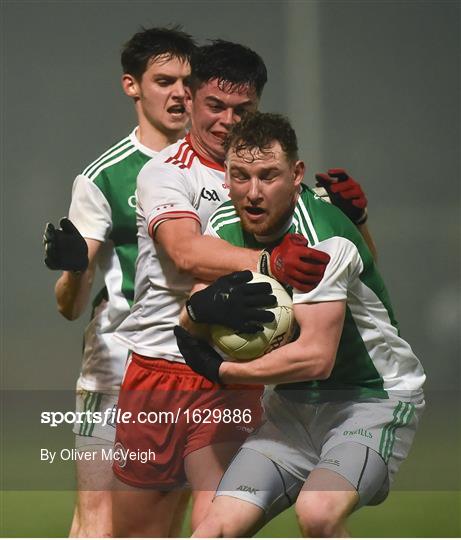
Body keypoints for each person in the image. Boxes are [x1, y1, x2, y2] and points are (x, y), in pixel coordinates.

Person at [111, 40, 337, 537]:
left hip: (226, 372)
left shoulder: (270, 179)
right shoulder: (166, 172)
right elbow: (185, 252)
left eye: (243, 109)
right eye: (215, 105)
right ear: (189, 100)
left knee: (217, 525)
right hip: (154, 371)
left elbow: (334, 264)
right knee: (136, 531)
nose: (228, 121)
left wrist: (355, 223)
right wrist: (269, 260)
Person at [174, 111, 426, 538]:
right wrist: (198, 311)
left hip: (368, 401)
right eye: (241, 176)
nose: (253, 193)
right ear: (227, 178)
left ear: (296, 175)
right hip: (290, 411)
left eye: (268, 176)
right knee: (212, 529)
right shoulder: (222, 227)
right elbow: (192, 314)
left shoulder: (320, 238)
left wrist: (225, 371)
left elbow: (315, 359)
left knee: (318, 512)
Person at [42, 26, 196, 538]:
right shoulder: (104, 177)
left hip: (189, 364)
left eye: (187, 82)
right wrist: (73, 267)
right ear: (132, 86)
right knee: (98, 522)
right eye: (164, 80)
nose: (179, 93)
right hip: (115, 365)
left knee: (160, 526)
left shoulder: (217, 169)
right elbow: (69, 305)